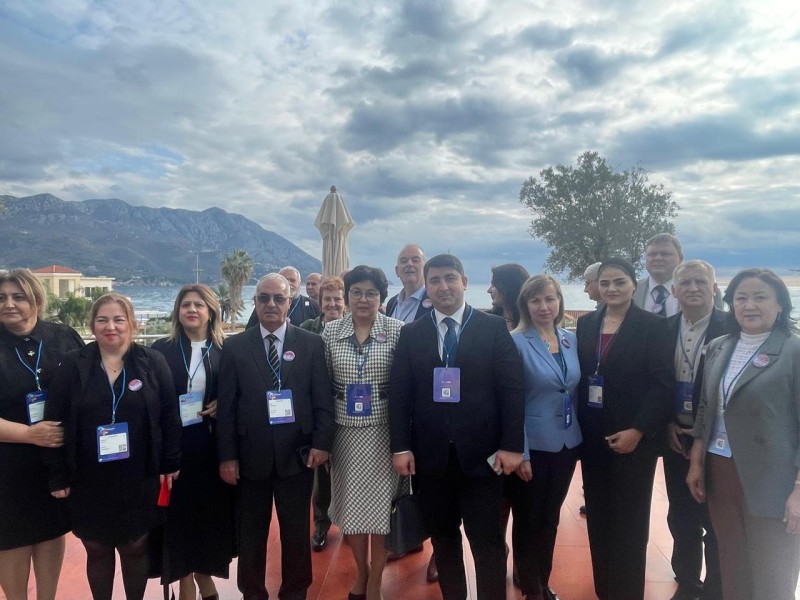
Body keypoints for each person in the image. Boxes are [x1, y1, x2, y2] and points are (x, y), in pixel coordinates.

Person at [389, 253, 524, 600]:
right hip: (430, 460)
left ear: (464, 282)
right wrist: (400, 447)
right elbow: (401, 395)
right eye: (434, 280)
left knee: (487, 541)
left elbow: (511, 390)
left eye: (450, 278)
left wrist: (512, 445)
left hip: (484, 458)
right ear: (427, 286)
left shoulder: (492, 328)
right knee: (443, 539)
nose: (443, 286)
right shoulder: (411, 334)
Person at [44, 293, 182, 600]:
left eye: (119, 319)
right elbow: (54, 421)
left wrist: (171, 463)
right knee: (96, 547)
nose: (111, 327)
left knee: (135, 545)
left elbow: (170, 416)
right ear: (92, 325)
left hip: (139, 473)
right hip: (87, 475)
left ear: (132, 324)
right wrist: (57, 474)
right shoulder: (73, 365)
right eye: (102, 320)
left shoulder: (152, 362)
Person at [217, 273, 334, 600]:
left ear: (289, 303)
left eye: (278, 298)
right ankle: (252, 592)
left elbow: (322, 399)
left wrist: (322, 444)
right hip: (249, 457)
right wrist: (227, 457)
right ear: (255, 302)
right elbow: (227, 407)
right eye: (264, 298)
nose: (271, 304)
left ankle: (295, 591)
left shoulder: (311, 344)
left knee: (296, 532)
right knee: (251, 534)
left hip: (297, 455)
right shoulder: (235, 347)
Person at [687, 268, 800, 599]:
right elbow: (706, 408)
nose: (750, 305)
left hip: (774, 479)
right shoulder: (719, 347)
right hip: (721, 471)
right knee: (732, 563)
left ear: (780, 305)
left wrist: (798, 490)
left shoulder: (793, 351)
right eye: (741, 298)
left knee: (773, 570)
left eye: (760, 297)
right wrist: (696, 463)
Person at [576, 257, 672, 600]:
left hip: (634, 439)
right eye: (605, 283)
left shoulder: (653, 326)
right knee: (599, 517)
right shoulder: (586, 324)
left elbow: (662, 384)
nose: (612, 289)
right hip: (593, 437)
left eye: (619, 282)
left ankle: (628, 592)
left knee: (630, 521)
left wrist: (638, 430)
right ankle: (604, 590)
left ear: (633, 285)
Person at [0, 269, 84, 600]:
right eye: (1, 298)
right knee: (11, 539)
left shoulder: (63, 337)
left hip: (54, 462)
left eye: (18, 296)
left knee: (51, 532)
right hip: (8, 463)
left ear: (36, 298)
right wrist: (29, 434)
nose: (8, 304)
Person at [322, 266, 404, 600]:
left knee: (382, 512)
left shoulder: (397, 331)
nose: (363, 299)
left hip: (385, 434)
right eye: (356, 292)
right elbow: (322, 387)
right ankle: (362, 570)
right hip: (344, 435)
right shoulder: (330, 333)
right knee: (352, 510)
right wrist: (322, 441)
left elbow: (406, 387)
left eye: (371, 293)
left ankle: (376, 579)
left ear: (381, 297)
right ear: (347, 296)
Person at [151, 284, 235, 600]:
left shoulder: (226, 350)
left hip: (209, 447)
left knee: (206, 518)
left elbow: (238, 392)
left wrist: (223, 404)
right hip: (173, 448)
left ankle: (203, 577)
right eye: (185, 304)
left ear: (211, 311)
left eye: (199, 304)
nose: (191, 309)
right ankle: (185, 582)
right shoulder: (161, 349)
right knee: (177, 518)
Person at [510, 275, 581, 600]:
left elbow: (572, 390)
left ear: (559, 302)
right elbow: (512, 401)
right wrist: (520, 451)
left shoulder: (569, 339)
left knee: (550, 517)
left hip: (567, 443)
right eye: (536, 300)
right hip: (533, 446)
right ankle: (530, 588)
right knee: (528, 519)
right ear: (525, 304)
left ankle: (543, 580)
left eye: (550, 299)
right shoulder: (516, 342)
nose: (544, 306)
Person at [662, 261, 725, 600]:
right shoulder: (662, 329)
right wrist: (666, 422)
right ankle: (687, 583)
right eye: (685, 283)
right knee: (681, 517)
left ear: (714, 287)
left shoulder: (731, 327)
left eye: (701, 281)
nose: (693, 288)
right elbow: (655, 382)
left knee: (715, 519)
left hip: (718, 440)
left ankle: (716, 589)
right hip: (676, 438)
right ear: (674, 290)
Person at [299, 276, 346, 552]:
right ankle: (321, 524)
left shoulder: (353, 329)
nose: (332, 304)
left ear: (345, 302)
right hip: (318, 410)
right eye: (327, 299)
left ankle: (351, 524)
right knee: (321, 472)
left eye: (337, 299)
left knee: (349, 470)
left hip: (347, 410)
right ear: (320, 302)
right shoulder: (307, 329)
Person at [246, 266, 320, 328]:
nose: (288, 283)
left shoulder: (313, 305)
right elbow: (251, 330)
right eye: (284, 279)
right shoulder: (265, 305)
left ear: (299, 284)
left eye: (292, 280)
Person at [385, 244, 432, 322]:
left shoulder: (435, 301)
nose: (409, 264)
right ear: (397, 271)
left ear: (425, 269)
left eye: (415, 260)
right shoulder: (392, 303)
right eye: (404, 261)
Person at [487, 263, 530, 330]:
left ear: (507, 287)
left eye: (494, 285)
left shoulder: (534, 323)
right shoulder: (486, 321)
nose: (489, 290)